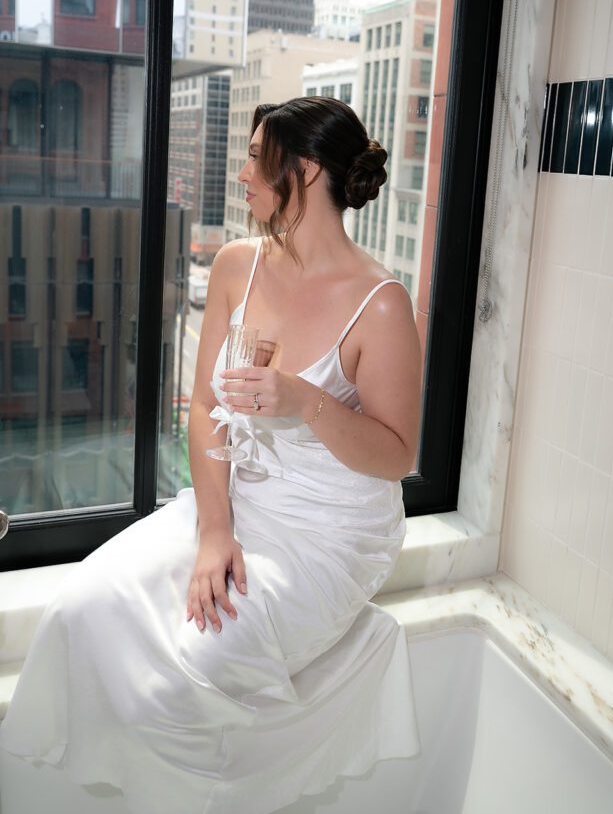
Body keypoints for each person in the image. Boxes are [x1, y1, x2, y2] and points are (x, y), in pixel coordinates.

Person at [0, 97, 422, 814]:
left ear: (307, 170)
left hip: (330, 529)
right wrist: (215, 531)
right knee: (81, 607)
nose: (242, 174)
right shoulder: (235, 266)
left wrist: (305, 401)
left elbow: (398, 454)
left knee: (201, 664)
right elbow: (203, 408)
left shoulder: (379, 303)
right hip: (237, 502)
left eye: (258, 157)